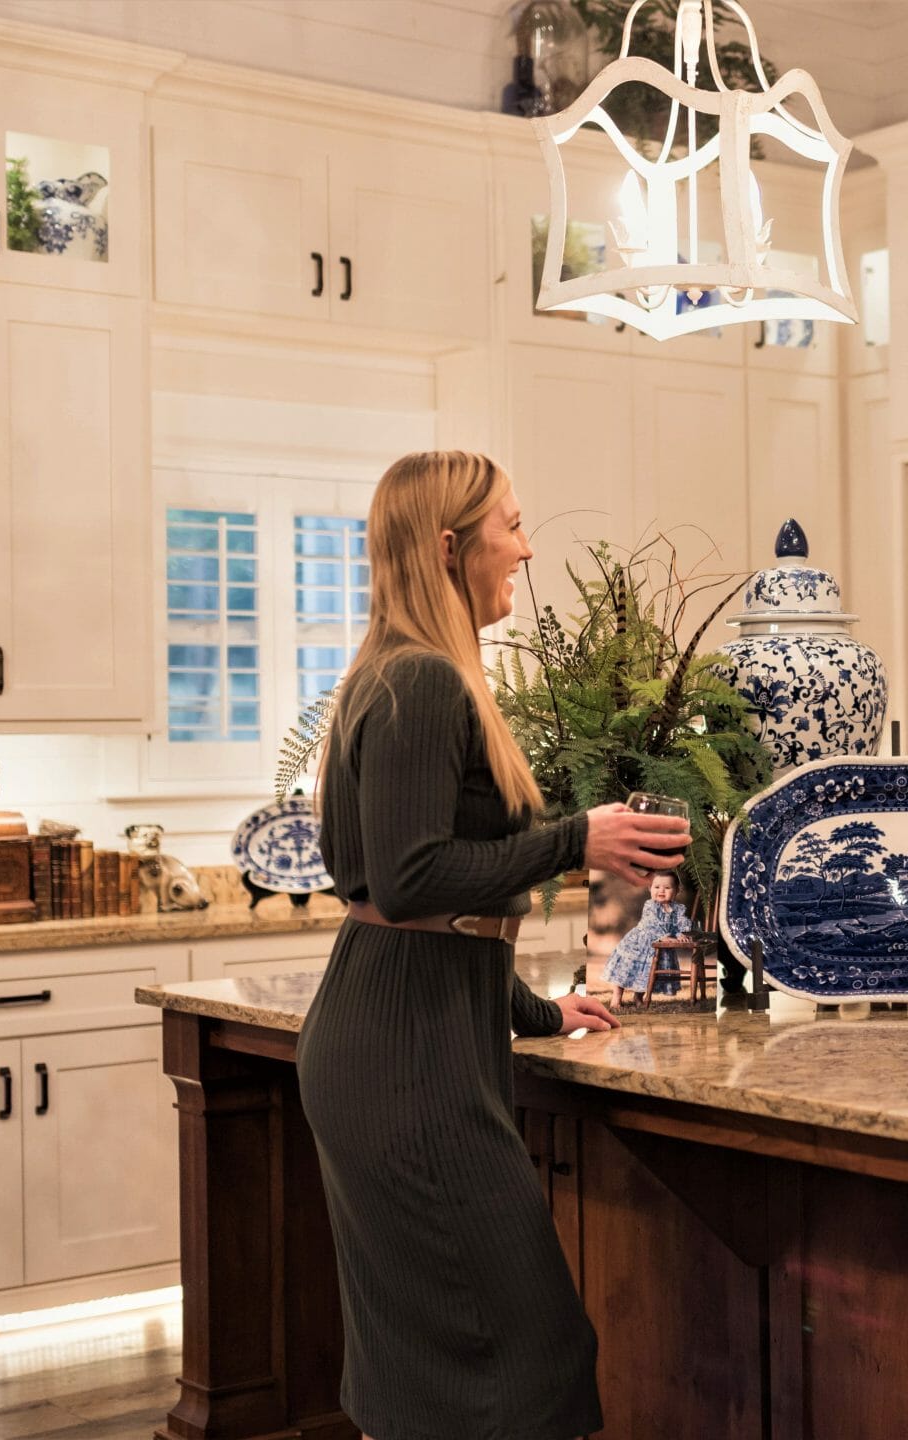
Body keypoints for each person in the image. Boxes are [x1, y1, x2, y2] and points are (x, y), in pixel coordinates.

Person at [295, 450, 691, 1439]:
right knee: (526, 1359)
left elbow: (435, 911)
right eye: (510, 525)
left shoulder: (395, 675)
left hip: (403, 1030)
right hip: (405, 1059)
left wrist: (535, 1010)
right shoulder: (422, 682)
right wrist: (575, 840)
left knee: (429, 1363)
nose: (524, 547)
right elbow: (408, 878)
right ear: (448, 546)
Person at [602, 869, 692, 1005]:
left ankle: (638, 997)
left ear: (677, 890)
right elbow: (651, 924)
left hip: (659, 947)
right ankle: (616, 997)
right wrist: (664, 937)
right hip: (640, 943)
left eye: (667, 888)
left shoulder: (677, 909)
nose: (661, 891)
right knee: (627, 969)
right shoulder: (650, 906)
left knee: (648, 972)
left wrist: (680, 934)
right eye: (657, 887)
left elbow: (677, 925)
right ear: (650, 888)